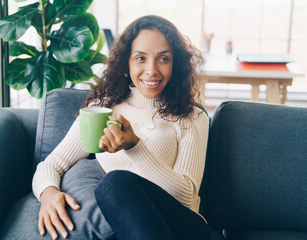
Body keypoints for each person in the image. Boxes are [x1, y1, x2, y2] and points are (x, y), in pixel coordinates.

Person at [32, 15, 211, 240]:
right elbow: (51, 164)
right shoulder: (102, 110)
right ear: (126, 62)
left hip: (185, 227)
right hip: (132, 228)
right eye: (141, 58)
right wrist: (48, 193)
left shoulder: (191, 117)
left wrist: (134, 146)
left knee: (115, 182)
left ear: (176, 65)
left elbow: (186, 197)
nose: (152, 70)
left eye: (163, 59)